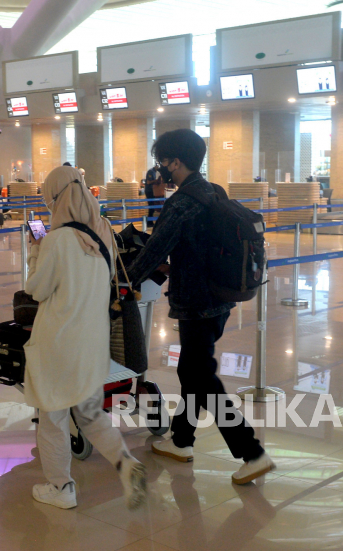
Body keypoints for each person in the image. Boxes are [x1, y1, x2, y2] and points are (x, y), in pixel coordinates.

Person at [126, 129, 275, 486]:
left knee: (201, 377)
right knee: (192, 373)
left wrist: (123, 278)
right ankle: (181, 441)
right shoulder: (214, 192)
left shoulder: (182, 202)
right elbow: (196, 248)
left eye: (161, 161)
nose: (159, 168)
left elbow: (154, 250)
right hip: (221, 297)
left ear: (175, 162)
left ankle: (251, 453)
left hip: (195, 302)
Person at [25, 165, 147, 510]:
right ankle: (125, 464)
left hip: (58, 343)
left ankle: (61, 487)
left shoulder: (57, 240)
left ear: (56, 198)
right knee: (91, 414)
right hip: (93, 344)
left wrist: (35, 250)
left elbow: (37, 289)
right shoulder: (103, 232)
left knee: (52, 417)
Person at [144, 162, 163, 227]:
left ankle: (150, 221)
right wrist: (156, 180)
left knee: (152, 206)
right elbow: (148, 182)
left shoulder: (155, 172)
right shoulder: (151, 171)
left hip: (152, 191)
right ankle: (149, 222)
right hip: (149, 191)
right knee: (151, 206)